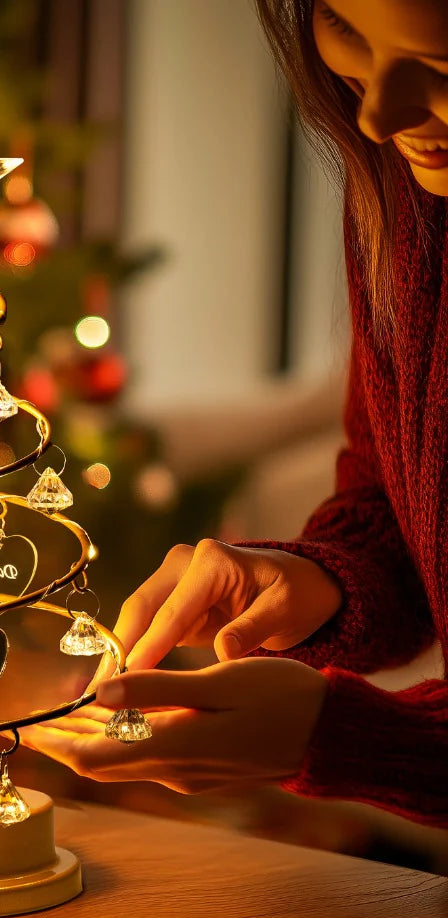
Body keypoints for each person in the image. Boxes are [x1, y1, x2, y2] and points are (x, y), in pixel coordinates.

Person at [25, 0, 448, 828]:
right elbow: (405, 510)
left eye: (440, 62)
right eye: (350, 32)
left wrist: (342, 739)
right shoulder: (410, 190)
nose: (375, 112)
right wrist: (312, 580)